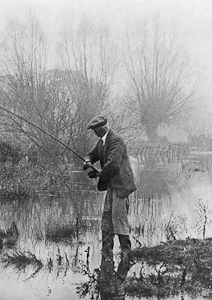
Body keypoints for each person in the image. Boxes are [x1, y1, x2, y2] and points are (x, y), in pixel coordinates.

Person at [83, 115, 136, 299]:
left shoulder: (116, 141)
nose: (96, 133)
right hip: (112, 186)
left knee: (119, 220)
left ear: (104, 127)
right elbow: (92, 154)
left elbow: (112, 165)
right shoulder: (102, 142)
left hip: (121, 186)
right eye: (94, 131)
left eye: (98, 130)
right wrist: (87, 160)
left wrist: (98, 174)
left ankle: (126, 255)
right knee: (106, 219)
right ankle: (106, 256)